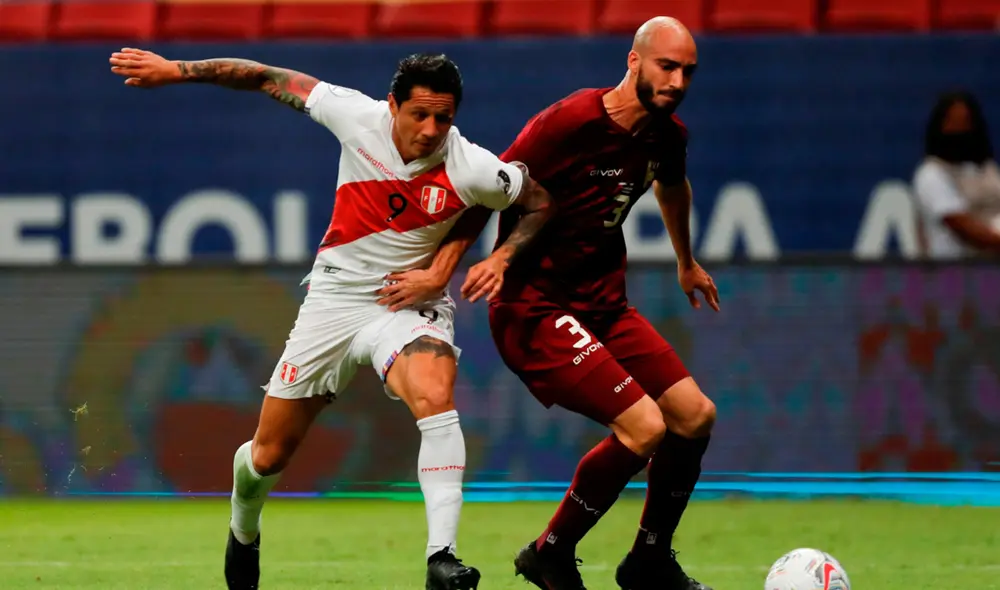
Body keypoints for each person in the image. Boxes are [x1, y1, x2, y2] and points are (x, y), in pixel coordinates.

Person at [109, 49, 555, 590]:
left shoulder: (474, 166)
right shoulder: (353, 114)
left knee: (435, 392)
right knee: (268, 456)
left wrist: (491, 260)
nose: (432, 129)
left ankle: (442, 556)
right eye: (419, 114)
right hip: (334, 302)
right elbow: (265, 77)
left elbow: (534, 201)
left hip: (405, 305)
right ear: (392, 106)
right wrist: (177, 71)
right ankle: (243, 529)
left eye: (444, 118)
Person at [384, 16, 718, 590]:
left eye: (688, 71)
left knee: (694, 416)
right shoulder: (569, 123)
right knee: (644, 428)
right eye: (667, 66)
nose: (678, 81)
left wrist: (686, 260)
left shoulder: (667, 135)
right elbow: (489, 188)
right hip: (533, 307)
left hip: (603, 304)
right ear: (634, 61)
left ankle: (649, 560)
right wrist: (459, 266)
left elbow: (671, 183)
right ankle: (550, 553)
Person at [912, 90, 1000, 258]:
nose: (959, 129)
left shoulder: (987, 169)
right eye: (952, 123)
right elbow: (962, 227)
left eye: (965, 122)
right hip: (952, 274)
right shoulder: (930, 174)